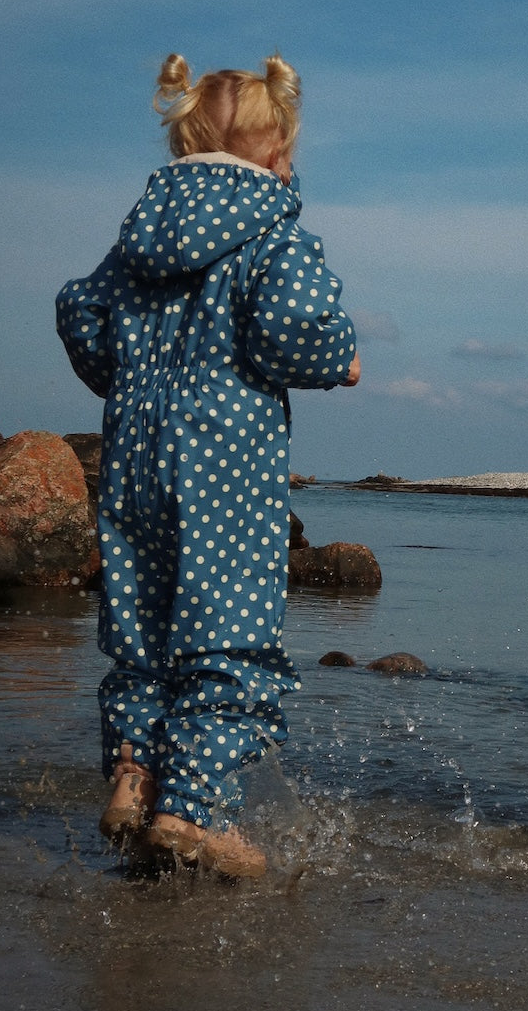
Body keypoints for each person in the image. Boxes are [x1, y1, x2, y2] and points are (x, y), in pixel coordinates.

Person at [56, 52, 360, 875]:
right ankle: (191, 813)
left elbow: (81, 316)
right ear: (274, 154)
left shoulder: (135, 244)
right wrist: (340, 359)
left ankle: (132, 774)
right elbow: (293, 328)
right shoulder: (270, 232)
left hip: (134, 459)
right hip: (225, 461)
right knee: (228, 636)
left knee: (145, 627)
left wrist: (125, 374)